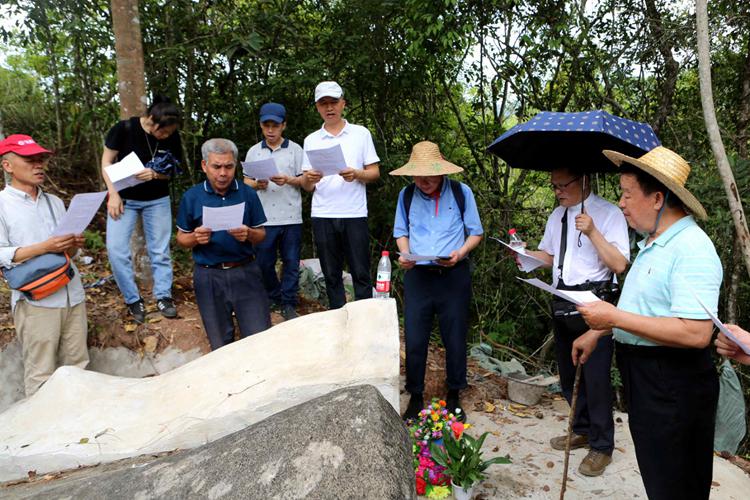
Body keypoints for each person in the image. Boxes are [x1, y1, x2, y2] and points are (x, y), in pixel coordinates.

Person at [575, 146, 721, 500]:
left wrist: (612, 317)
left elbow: (697, 332)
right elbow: (647, 309)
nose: (621, 203)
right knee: (658, 474)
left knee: (675, 482)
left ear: (657, 198)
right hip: (646, 378)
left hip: (673, 382)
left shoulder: (691, 248)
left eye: (627, 194)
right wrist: (599, 331)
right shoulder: (653, 243)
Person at [522, 167, 629, 477]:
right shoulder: (557, 216)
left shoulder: (608, 214)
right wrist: (526, 256)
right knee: (568, 375)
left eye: (562, 185)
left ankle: (602, 446)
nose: (557, 191)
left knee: (596, 378)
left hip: (594, 302)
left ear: (583, 180)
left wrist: (593, 232)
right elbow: (550, 256)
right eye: (553, 186)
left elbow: (619, 264)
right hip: (561, 298)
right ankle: (581, 429)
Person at [391, 141, 484, 421]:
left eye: (428, 176)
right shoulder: (407, 195)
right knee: (415, 337)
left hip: (453, 275)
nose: (423, 181)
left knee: (454, 337)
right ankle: (416, 395)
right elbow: (400, 231)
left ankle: (454, 394)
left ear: (442, 172)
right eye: (417, 176)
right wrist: (405, 254)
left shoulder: (460, 193)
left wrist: (461, 253)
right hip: (418, 275)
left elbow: (476, 232)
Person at [0, 135, 88, 396]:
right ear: (7, 166)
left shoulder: (55, 202)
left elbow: (68, 252)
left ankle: (80, 431)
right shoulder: (2, 205)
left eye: (41, 159)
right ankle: (43, 435)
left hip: (72, 293)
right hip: (36, 300)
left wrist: (73, 242)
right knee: (41, 375)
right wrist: (45, 247)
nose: (38, 165)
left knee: (78, 368)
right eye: (29, 160)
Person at [176, 138, 270, 350]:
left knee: (259, 339)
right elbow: (181, 238)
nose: (223, 173)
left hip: (245, 271)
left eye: (228, 166)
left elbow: (262, 235)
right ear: (204, 166)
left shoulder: (248, 194)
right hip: (209, 276)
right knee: (220, 344)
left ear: (235, 165)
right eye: (216, 166)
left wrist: (248, 233)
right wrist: (195, 238)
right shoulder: (192, 197)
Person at [101, 95, 182, 323]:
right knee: (116, 250)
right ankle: (133, 299)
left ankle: (163, 296)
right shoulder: (124, 129)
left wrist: (155, 174)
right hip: (124, 198)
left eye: (169, 133)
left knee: (160, 250)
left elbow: (175, 170)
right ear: (153, 122)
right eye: (163, 132)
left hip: (157, 199)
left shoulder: (172, 136)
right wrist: (113, 194)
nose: (166, 137)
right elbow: (106, 162)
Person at [301, 81, 380, 309]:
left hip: (354, 212)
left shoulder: (360, 134)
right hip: (323, 213)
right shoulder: (311, 139)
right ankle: (337, 319)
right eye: (323, 103)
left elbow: (374, 173)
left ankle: (364, 319)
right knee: (331, 273)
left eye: (333, 102)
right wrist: (310, 179)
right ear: (317, 107)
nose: (329, 108)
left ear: (343, 103)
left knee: (360, 272)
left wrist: (356, 174)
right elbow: (307, 186)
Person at [243, 103, 304, 320]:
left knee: (291, 261)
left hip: (291, 216)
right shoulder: (254, 151)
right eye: (266, 125)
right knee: (264, 262)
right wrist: (256, 184)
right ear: (261, 125)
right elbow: (245, 180)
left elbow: (306, 180)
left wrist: (288, 179)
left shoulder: (295, 150)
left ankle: (288, 302)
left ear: (283, 126)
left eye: (275, 125)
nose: (270, 130)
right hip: (264, 216)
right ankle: (272, 295)